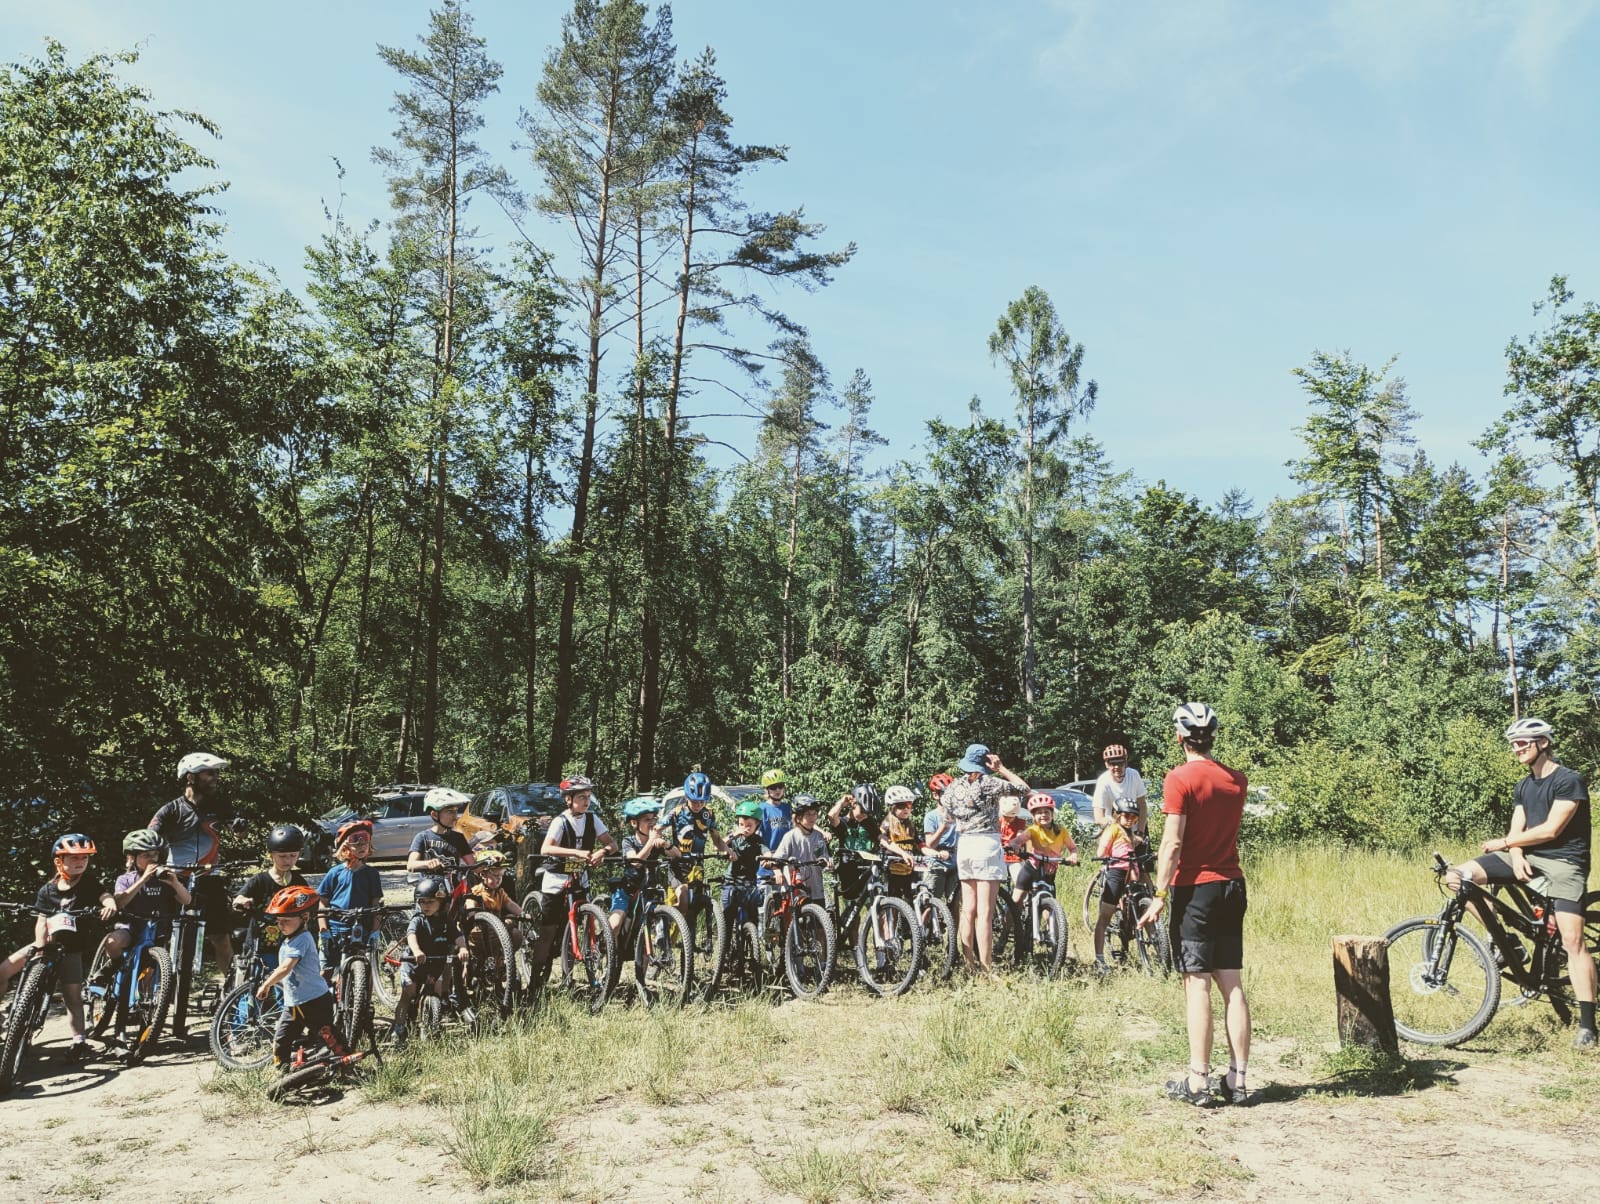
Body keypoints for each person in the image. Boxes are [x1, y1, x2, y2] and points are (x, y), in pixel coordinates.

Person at [1446, 717, 1596, 1049]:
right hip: (1525, 857)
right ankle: (1509, 942)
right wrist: (1514, 852)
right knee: (1456, 878)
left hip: (1564, 863)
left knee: (1573, 941)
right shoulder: (1524, 786)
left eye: (1523, 743)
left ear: (1543, 743)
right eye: (1514, 743)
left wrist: (1504, 843)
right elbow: (1519, 828)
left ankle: (1587, 1025)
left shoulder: (1569, 780)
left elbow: (1551, 830)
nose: (1517, 748)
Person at [1139, 703, 1251, 1107]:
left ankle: (1198, 1081)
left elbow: (1172, 842)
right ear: (1213, 736)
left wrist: (1160, 894)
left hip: (1195, 890)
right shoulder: (1237, 780)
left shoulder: (1179, 779)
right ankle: (1237, 1081)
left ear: (1179, 736)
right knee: (1232, 983)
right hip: (1232, 885)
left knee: (1197, 982)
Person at [0, 834, 118, 1063]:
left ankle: (79, 1041)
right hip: (46, 943)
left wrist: (109, 903)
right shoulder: (48, 890)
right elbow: (42, 920)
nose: (80, 862)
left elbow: (103, 895)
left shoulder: (89, 883)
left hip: (72, 949)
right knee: (4, 970)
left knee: (72, 997)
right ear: (59, 861)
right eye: (73, 858)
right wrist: (40, 946)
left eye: (84, 858)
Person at [148, 751, 241, 997]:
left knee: (221, 937)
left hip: (209, 878)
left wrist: (238, 826)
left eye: (217, 773)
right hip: (174, 878)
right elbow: (149, 838)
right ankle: (148, 994)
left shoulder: (220, 806)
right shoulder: (171, 810)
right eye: (210, 773)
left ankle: (235, 994)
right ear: (191, 777)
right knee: (160, 936)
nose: (216, 778)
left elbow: (234, 825)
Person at [939, 743, 1030, 975]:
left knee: (967, 909)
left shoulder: (952, 787)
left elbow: (947, 817)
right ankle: (986, 968)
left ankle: (968, 964)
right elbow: (1023, 788)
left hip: (965, 845)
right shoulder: (988, 783)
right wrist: (1002, 768)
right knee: (985, 913)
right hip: (986, 844)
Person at [526, 776, 618, 998]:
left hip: (579, 876)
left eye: (588, 797)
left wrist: (602, 852)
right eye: (581, 797)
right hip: (556, 877)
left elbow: (611, 843)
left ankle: (578, 969)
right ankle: (535, 981)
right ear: (568, 800)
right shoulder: (560, 821)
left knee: (580, 923)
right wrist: (575, 852)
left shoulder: (592, 819)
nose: (586, 802)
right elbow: (547, 848)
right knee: (548, 931)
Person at [255, 884, 344, 1069]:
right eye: (279, 921)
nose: (281, 925)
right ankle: (283, 1070)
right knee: (282, 1038)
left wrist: (266, 985)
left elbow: (286, 968)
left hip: (315, 1000)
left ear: (304, 917)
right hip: (294, 1004)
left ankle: (345, 1061)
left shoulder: (302, 938)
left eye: (286, 920)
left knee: (327, 1035)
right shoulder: (289, 939)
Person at [390, 876, 467, 1045]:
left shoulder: (446, 921)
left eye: (430, 902)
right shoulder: (418, 919)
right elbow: (411, 936)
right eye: (422, 902)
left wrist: (462, 948)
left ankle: (433, 1025)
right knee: (408, 993)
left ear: (441, 902)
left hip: (435, 964)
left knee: (438, 992)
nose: (426, 906)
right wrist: (416, 950)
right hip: (413, 963)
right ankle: (399, 1028)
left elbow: (457, 936)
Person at [232, 825, 311, 970]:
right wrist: (243, 901)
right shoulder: (260, 880)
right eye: (282, 856)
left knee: (285, 988)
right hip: (259, 947)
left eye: (293, 855)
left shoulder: (299, 882)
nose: (287, 860)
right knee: (254, 987)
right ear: (271, 855)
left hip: (289, 946)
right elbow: (237, 899)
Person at [316, 820, 384, 968]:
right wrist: (324, 931)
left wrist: (375, 931)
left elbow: (376, 904)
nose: (361, 845)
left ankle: (364, 991)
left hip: (361, 927)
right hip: (336, 927)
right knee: (325, 969)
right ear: (345, 847)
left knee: (366, 968)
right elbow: (322, 902)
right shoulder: (335, 872)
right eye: (355, 841)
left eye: (365, 841)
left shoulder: (372, 874)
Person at [608, 797, 678, 936]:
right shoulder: (628, 841)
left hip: (649, 891)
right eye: (647, 820)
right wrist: (651, 841)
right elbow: (636, 862)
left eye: (654, 819)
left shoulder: (657, 841)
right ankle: (610, 952)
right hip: (628, 890)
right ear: (634, 823)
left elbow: (677, 855)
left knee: (653, 926)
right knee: (615, 923)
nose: (652, 823)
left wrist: (666, 844)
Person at [1093, 800, 1147, 970]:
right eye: (1126, 815)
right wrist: (1105, 855)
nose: (1130, 819)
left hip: (1131, 872)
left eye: (1134, 817)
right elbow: (1101, 851)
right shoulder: (1113, 829)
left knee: (1139, 904)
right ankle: (1099, 959)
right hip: (1117, 872)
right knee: (1105, 915)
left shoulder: (1129, 832)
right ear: (1117, 815)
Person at [828, 784, 883, 909]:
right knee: (853, 916)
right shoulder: (843, 822)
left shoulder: (869, 822)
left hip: (866, 872)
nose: (865, 815)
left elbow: (882, 839)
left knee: (878, 911)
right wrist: (842, 803)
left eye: (868, 813)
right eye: (863, 811)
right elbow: (831, 816)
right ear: (853, 805)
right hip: (848, 872)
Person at [773, 795, 831, 905]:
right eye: (808, 814)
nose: (812, 817)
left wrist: (826, 861)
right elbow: (777, 859)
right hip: (794, 888)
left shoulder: (818, 836)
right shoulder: (790, 836)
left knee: (819, 920)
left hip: (815, 888)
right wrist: (777, 871)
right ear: (798, 817)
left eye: (814, 814)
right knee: (794, 918)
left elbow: (822, 855)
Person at [406, 787, 477, 874]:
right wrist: (428, 863)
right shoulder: (422, 837)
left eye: (456, 811)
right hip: (429, 884)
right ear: (435, 814)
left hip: (453, 885)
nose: (455, 817)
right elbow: (411, 865)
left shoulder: (459, 838)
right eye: (450, 812)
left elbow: (473, 866)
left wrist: (490, 858)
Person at [722, 800, 768, 926]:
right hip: (731, 881)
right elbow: (719, 846)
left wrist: (769, 858)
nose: (745, 828)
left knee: (753, 917)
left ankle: (751, 940)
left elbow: (767, 852)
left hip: (749, 882)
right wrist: (734, 834)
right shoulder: (735, 838)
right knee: (728, 917)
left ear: (757, 824)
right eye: (741, 824)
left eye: (749, 825)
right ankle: (726, 944)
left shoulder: (758, 841)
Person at [921, 773, 959, 905]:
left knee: (954, 904)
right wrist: (943, 827)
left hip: (955, 863)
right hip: (936, 863)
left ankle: (953, 926)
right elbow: (930, 844)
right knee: (930, 903)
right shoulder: (931, 816)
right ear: (936, 795)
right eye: (945, 795)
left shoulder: (958, 814)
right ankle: (923, 925)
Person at [1092, 744, 1147, 829]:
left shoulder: (1134, 775)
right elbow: (1098, 817)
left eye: (1120, 763)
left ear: (1125, 763)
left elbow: (1142, 805)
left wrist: (1140, 832)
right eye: (1112, 764)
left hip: (1133, 829)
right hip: (1113, 829)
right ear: (1107, 765)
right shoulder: (1103, 781)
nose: (1117, 767)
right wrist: (1114, 824)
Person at [880, 786, 920, 902]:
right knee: (892, 903)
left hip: (908, 871)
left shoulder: (910, 825)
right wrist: (902, 854)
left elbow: (919, 843)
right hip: (892, 871)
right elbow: (883, 841)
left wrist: (935, 853)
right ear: (893, 808)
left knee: (910, 904)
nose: (906, 809)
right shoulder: (887, 823)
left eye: (909, 805)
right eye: (902, 806)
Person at [756, 769, 793, 861]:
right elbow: (755, 836)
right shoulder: (761, 809)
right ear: (767, 790)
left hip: (786, 859)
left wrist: (822, 832)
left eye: (780, 786)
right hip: (768, 859)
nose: (777, 790)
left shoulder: (788, 807)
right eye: (773, 787)